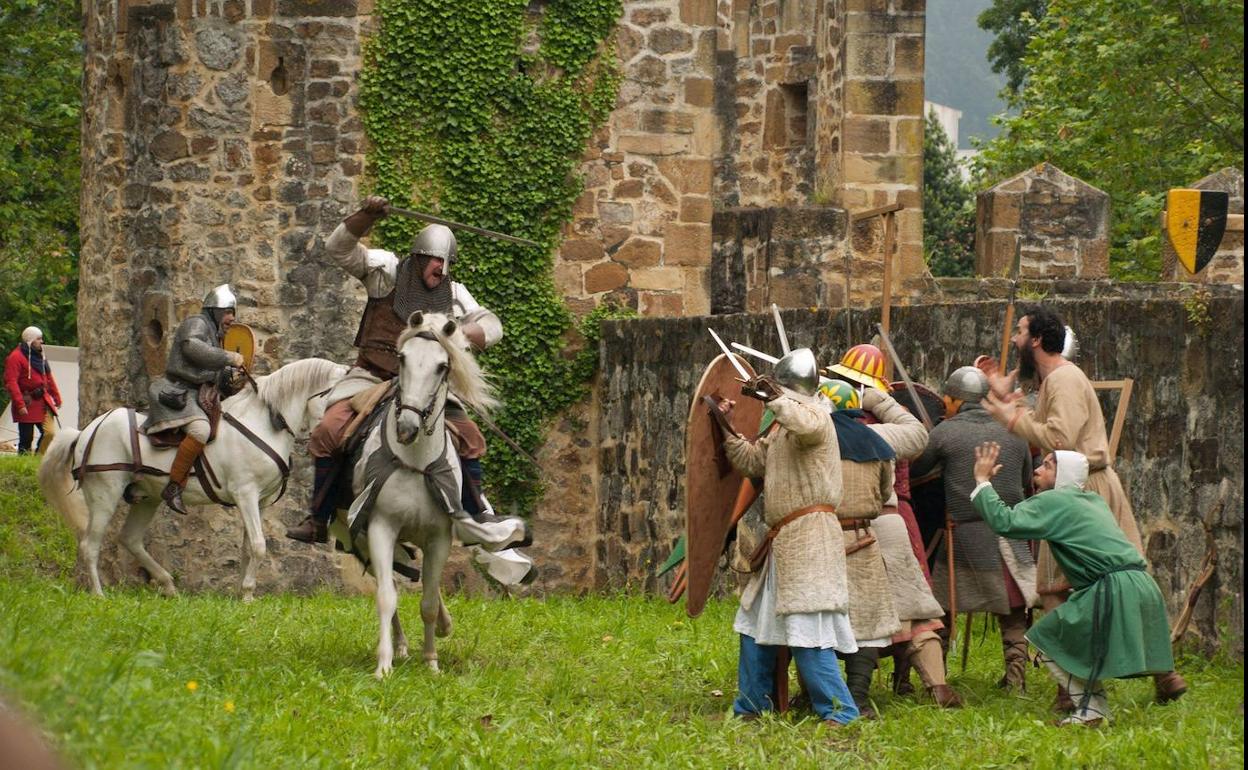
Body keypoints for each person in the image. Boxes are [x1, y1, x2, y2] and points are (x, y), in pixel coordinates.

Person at [979, 305, 1187, 706]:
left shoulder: (1064, 378)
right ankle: (1161, 674)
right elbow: (1050, 429)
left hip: (1080, 486)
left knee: (1060, 588)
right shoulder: (1055, 380)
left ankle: (1075, 688)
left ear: (1037, 339)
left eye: (1020, 332)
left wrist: (1013, 420)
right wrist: (1010, 401)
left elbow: (1060, 439)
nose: (1015, 340)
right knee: (1122, 577)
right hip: (1082, 485)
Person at [285, 196, 511, 549]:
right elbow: (338, 249)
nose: (441, 269)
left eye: (447, 262)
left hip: (426, 388)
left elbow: (493, 325)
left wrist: (459, 333)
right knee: (328, 430)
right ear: (419, 257)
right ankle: (319, 518)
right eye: (436, 260)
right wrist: (365, 216)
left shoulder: (455, 295)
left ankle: (476, 514)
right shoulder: (386, 273)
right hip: (371, 378)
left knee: (470, 438)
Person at [970, 443, 1176, 726]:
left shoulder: (1055, 500)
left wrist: (982, 480)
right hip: (1141, 584)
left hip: (1113, 588)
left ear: (1064, 474)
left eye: (1047, 466)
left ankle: (1092, 708)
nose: (1037, 470)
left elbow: (1005, 521)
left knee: (1048, 639)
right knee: (1072, 640)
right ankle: (1094, 707)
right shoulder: (1092, 500)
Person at [717, 348, 859, 727]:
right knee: (753, 624)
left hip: (811, 540)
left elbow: (807, 426)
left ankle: (841, 712)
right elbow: (751, 461)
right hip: (783, 542)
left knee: (807, 628)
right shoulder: (781, 429)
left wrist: (776, 400)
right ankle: (751, 705)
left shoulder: (817, 416)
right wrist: (725, 425)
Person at [910, 366, 1037, 691]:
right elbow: (1025, 480)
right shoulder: (1014, 430)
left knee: (942, 610)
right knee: (1013, 614)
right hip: (1010, 533)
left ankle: (937, 680)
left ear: (956, 400)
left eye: (947, 400)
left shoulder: (945, 433)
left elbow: (916, 471)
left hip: (964, 537)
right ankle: (1016, 681)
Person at [140, 285, 245, 514]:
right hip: (178, 391)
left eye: (233, 313)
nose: (231, 318)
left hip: (199, 394)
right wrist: (228, 357)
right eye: (228, 312)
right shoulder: (197, 323)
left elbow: (209, 371)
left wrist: (229, 376)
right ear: (215, 310)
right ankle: (174, 486)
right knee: (200, 430)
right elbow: (192, 347)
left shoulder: (215, 334)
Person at [5, 327, 63, 455]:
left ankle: (38, 458)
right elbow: (11, 382)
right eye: (38, 339)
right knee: (26, 438)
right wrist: (20, 404)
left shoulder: (40, 354)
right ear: (30, 340)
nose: (41, 341)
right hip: (27, 401)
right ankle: (24, 463)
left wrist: (56, 397)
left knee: (50, 433)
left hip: (43, 400)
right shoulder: (15, 357)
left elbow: (48, 377)